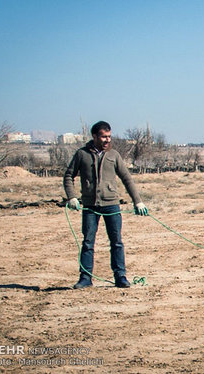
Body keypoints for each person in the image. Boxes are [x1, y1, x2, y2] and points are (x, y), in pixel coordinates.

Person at [63, 121, 149, 289]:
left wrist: (138, 201)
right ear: (94, 136)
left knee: (116, 241)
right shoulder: (81, 154)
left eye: (109, 136)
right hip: (90, 206)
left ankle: (120, 276)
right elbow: (68, 176)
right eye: (103, 136)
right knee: (88, 242)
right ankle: (85, 278)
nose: (107, 140)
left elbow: (127, 179)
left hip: (112, 205)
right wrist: (72, 197)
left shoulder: (114, 155)